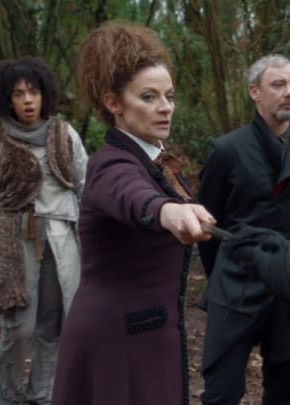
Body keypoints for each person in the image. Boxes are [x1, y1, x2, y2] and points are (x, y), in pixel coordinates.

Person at [51, 21, 214, 405]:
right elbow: (130, 195)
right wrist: (167, 212)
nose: (165, 107)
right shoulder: (110, 164)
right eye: (149, 97)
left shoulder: (153, 159)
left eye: (169, 96)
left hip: (146, 338)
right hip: (115, 343)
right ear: (114, 103)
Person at [198, 54, 290, 405]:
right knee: (222, 393)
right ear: (254, 92)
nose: (289, 93)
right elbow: (208, 226)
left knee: (284, 392)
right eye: (278, 84)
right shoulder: (226, 150)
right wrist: (228, 272)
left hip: (288, 286)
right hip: (235, 286)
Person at [0, 56, 88, 404]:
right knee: (18, 327)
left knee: (52, 325)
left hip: (62, 240)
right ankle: (6, 396)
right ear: (8, 99)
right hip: (14, 241)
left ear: (44, 95)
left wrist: (95, 244)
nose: (28, 100)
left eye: (33, 92)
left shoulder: (64, 135)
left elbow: (86, 188)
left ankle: (41, 394)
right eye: (19, 94)